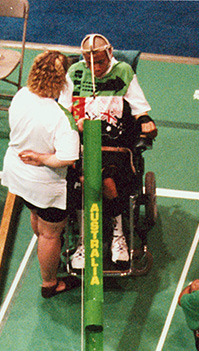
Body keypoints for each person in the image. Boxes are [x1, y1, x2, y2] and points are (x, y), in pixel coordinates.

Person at [59, 33, 157, 267]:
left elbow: (139, 108)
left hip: (115, 144)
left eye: (100, 61)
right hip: (81, 143)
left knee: (107, 181)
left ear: (110, 54)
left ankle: (117, 235)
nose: (95, 67)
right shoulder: (74, 73)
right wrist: (74, 124)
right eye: (89, 62)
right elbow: (62, 111)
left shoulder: (123, 71)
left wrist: (146, 121)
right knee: (82, 179)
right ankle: (84, 241)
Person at [2, 51, 80, 298]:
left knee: (35, 212)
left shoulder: (20, 96)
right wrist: (43, 158)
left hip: (17, 174)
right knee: (50, 233)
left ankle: (44, 244)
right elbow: (67, 158)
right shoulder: (60, 117)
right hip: (44, 182)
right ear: (61, 80)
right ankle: (50, 283)